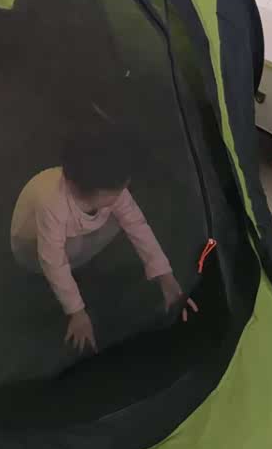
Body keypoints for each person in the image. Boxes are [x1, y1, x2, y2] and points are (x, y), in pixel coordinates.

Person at [11, 127, 182, 353]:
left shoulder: (107, 187)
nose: (123, 192)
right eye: (116, 191)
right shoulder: (51, 202)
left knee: (123, 216)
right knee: (66, 251)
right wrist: (77, 312)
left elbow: (137, 225)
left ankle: (78, 259)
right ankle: (72, 269)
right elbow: (52, 260)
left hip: (73, 231)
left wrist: (165, 275)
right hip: (30, 246)